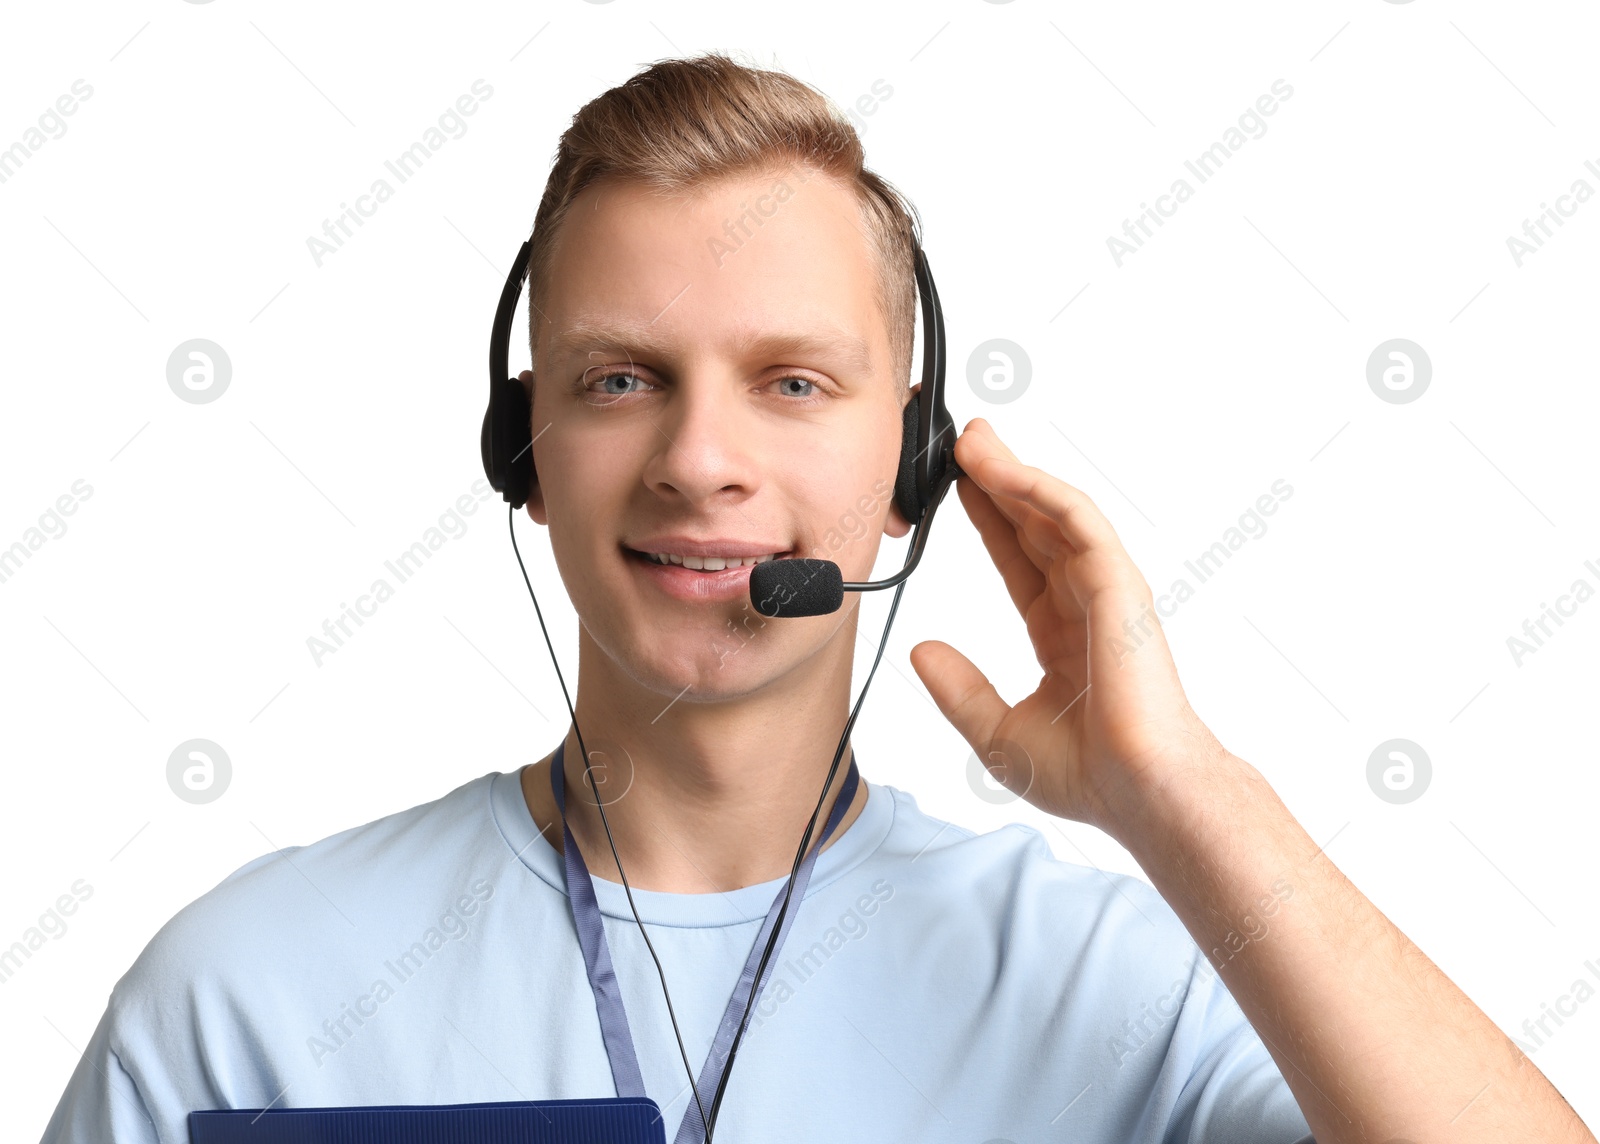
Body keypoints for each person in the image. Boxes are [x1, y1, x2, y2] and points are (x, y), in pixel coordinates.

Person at [39, 51, 1593, 1144]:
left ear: (915, 455)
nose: (699, 460)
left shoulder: (1117, 988)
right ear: (528, 447)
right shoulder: (244, 997)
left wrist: (1182, 792)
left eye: (792, 381)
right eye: (621, 379)